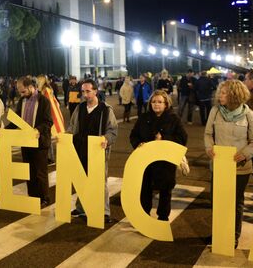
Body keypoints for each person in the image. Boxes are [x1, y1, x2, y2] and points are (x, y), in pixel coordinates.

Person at [204, 79, 253, 248]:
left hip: (240, 168)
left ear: (234, 95)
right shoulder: (215, 111)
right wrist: (209, 148)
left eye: (224, 92)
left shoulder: (249, 115)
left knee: (236, 203)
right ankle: (219, 232)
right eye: (220, 92)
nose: (219, 95)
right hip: (219, 165)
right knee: (218, 201)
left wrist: (244, 155)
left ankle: (234, 236)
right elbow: (208, 134)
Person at [130, 90, 187, 221]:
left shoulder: (173, 119)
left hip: (165, 163)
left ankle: (163, 216)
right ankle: (144, 215)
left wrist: (165, 138)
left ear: (166, 104)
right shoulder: (144, 118)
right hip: (146, 162)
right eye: (154, 102)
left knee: (165, 190)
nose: (156, 104)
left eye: (160, 102)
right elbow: (133, 135)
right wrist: (138, 143)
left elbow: (182, 138)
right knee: (145, 189)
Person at [68, 79, 118, 224]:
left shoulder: (106, 109)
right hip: (80, 149)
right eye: (83, 91)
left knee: (100, 181)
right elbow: (72, 126)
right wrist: (66, 136)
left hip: (98, 151)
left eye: (88, 91)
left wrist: (106, 139)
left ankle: (104, 211)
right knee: (81, 178)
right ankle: (81, 207)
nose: (85, 94)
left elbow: (113, 130)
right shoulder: (80, 108)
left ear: (96, 91)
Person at [5, 76, 53, 208]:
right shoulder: (22, 101)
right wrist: (4, 130)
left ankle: (44, 198)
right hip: (25, 141)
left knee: (40, 172)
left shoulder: (43, 101)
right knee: (29, 171)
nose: (21, 94)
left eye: (23, 91)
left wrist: (38, 130)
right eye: (20, 91)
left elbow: (49, 122)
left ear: (31, 87)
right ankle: (32, 197)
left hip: (40, 142)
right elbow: (16, 121)